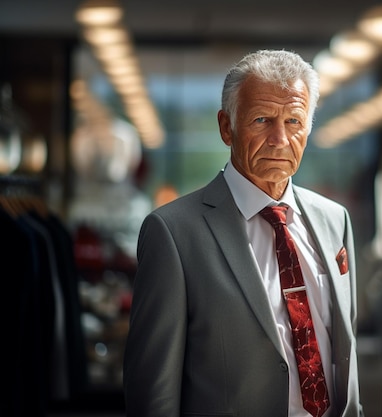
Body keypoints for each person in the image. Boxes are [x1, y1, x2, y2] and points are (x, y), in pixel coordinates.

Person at [123, 49, 363, 417]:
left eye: (294, 121)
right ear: (226, 126)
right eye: (262, 119)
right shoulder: (173, 233)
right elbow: (153, 396)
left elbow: (344, 354)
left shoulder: (336, 221)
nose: (279, 138)